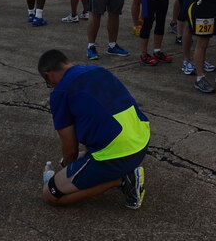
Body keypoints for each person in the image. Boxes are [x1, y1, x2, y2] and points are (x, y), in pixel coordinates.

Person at [37, 49, 148, 208]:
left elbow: (70, 150)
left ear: (48, 75)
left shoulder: (61, 92)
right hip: (141, 140)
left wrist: (67, 170)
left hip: (119, 154)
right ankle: (120, 172)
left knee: (50, 195)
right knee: (84, 156)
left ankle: (124, 180)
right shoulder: (98, 70)